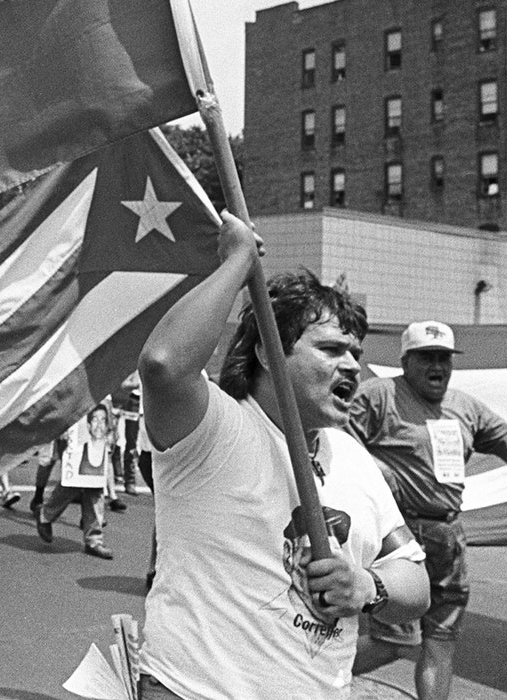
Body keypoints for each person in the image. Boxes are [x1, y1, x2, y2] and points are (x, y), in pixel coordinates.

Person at [136, 213, 429, 699]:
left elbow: (414, 580)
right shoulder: (212, 429)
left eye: (355, 351)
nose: (353, 365)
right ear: (269, 353)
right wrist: (237, 262)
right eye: (331, 349)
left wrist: (367, 586)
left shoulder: (354, 458)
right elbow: (162, 364)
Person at [348, 320, 507, 700]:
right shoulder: (379, 395)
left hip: (448, 537)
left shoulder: (464, 406)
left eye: (444, 358)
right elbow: (337, 439)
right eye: (427, 357)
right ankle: (314, 681)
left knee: (441, 641)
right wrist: (376, 468)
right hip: (400, 534)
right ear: (406, 360)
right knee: (392, 642)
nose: (437, 367)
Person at [35, 403, 115, 558]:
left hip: (97, 418)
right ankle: (45, 514)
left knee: (95, 485)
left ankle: (94, 539)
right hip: (74, 425)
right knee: (72, 482)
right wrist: (62, 426)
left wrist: (110, 428)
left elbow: (107, 396)